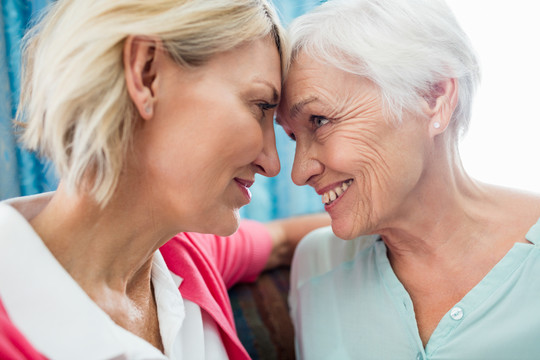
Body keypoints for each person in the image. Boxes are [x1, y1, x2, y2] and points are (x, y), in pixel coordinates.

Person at [0, 0, 330, 359]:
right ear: (146, 74)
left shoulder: (185, 253)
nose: (273, 163)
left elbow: (281, 239)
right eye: (260, 106)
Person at [276, 0, 540, 359]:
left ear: (432, 95)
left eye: (319, 120)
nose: (298, 172)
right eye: (292, 137)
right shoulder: (316, 265)